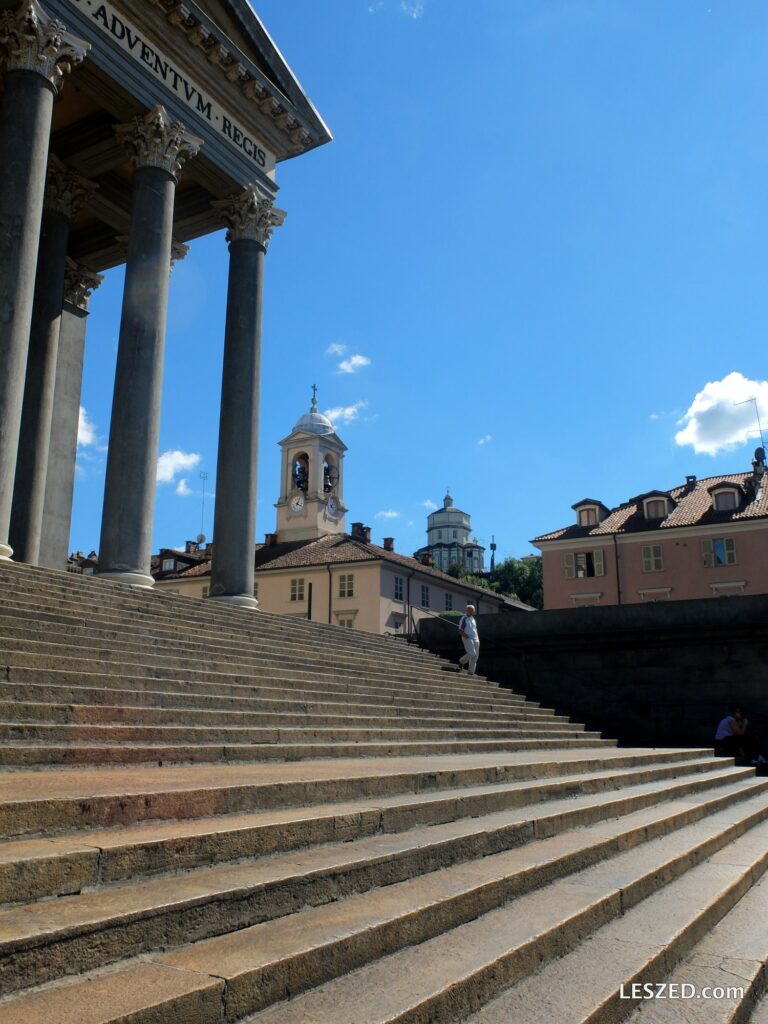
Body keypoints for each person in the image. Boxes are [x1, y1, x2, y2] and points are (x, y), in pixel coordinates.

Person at [458, 604, 480, 675]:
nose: (471, 612)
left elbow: (475, 630)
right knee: (472, 653)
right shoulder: (464, 618)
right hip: (468, 638)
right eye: (470, 610)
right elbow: (460, 629)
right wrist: (465, 636)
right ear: (467, 610)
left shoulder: (473, 619)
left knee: (475, 657)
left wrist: (477, 639)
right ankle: (462, 661)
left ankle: (471, 672)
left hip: (476, 639)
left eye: (472, 611)